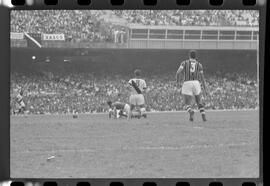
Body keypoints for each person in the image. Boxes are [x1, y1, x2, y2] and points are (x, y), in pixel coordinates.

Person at [175, 50, 209, 121]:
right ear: (196, 56)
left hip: (187, 82)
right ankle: (203, 115)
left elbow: (178, 73)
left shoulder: (184, 63)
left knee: (186, 102)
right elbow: (202, 78)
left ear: (189, 56)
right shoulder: (199, 64)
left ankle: (191, 111)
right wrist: (205, 89)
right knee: (199, 101)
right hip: (196, 83)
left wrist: (178, 83)